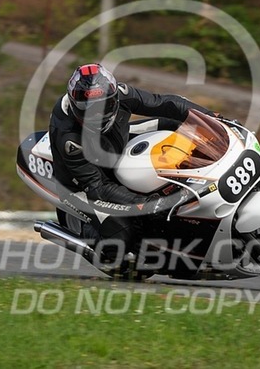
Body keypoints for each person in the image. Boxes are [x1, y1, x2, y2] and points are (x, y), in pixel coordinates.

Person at [49, 63, 216, 263]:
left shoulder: (121, 93)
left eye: (104, 106)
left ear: (114, 97)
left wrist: (213, 118)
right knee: (120, 237)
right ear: (75, 105)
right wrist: (148, 204)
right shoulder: (69, 138)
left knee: (176, 125)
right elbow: (97, 187)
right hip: (82, 187)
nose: (98, 115)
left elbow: (166, 103)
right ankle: (88, 232)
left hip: (113, 144)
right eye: (89, 110)